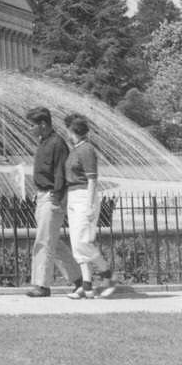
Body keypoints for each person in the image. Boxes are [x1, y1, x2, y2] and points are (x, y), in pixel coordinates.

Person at [24, 106, 80, 297]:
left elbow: (61, 173)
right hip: (42, 196)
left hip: (51, 197)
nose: (28, 129)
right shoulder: (44, 142)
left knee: (43, 241)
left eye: (31, 125)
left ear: (42, 124)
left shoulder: (57, 144)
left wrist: (56, 194)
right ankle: (79, 279)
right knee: (53, 243)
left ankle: (42, 285)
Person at [63, 114, 115, 298]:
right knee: (77, 243)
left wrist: (90, 205)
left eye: (67, 129)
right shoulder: (76, 149)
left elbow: (92, 179)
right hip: (73, 196)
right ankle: (87, 287)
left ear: (72, 131)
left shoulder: (86, 150)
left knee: (83, 242)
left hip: (84, 196)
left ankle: (106, 273)